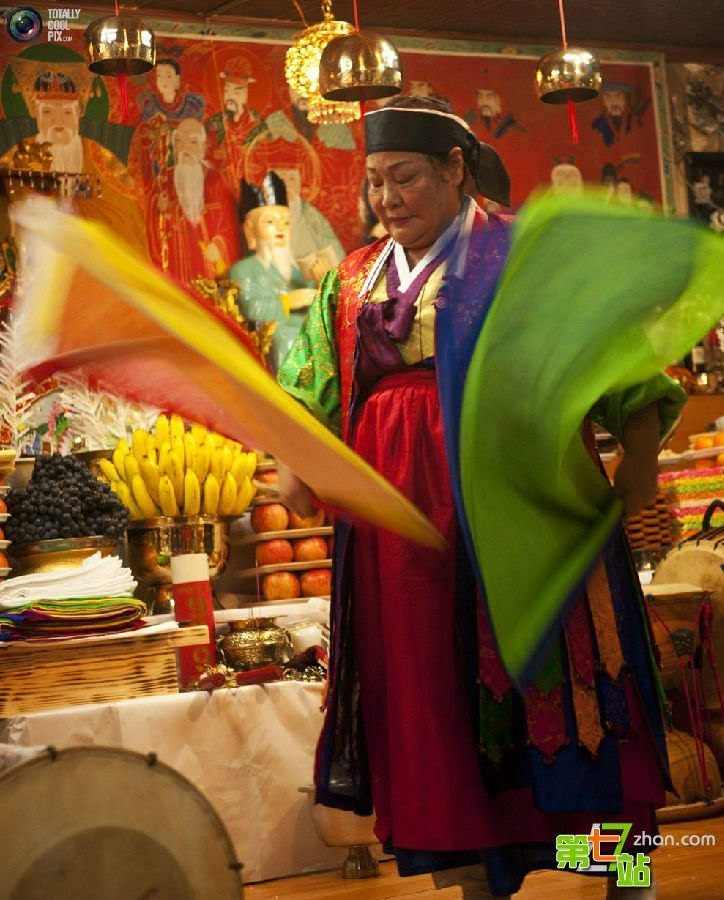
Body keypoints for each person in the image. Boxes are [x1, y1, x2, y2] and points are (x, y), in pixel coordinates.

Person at [277, 96, 685, 899]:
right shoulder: (354, 276)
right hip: (405, 531)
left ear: (456, 170)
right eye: (375, 183)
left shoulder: (525, 256)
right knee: (439, 699)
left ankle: (625, 873)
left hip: (525, 507)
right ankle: (478, 877)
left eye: (405, 179)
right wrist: (297, 462)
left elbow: (622, 367)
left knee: (567, 692)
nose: (386, 199)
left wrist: (637, 468)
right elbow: (311, 387)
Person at [229, 171, 317, 371]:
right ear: (250, 230)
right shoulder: (243, 270)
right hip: (271, 332)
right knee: (289, 339)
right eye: (270, 222)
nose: (280, 228)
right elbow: (250, 309)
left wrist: (320, 282)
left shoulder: (295, 268)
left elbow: (313, 302)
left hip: (304, 325)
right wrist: (289, 301)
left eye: (285, 222)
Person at [146, 117, 239, 285]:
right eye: (180, 142)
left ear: (203, 149)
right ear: (174, 149)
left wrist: (218, 246)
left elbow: (229, 226)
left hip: (208, 267)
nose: (185, 148)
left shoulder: (215, 181)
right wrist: (157, 207)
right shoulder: (164, 181)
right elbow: (151, 227)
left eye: (193, 142)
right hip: (175, 268)